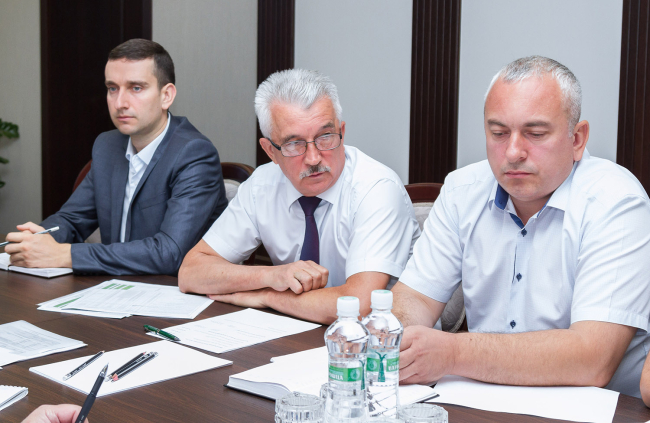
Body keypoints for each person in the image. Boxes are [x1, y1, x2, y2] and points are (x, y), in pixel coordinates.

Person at [392, 56, 650, 397]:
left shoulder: (616, 202)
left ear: (577, 139)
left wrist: (452, 353)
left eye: (535, 134)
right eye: (499, 133)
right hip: (482, 399)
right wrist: (395, 333)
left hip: (594, 409)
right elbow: (414, 298)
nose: (513, 152)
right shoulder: (462, 190)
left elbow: (592, 358)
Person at [179, 69, 420, 324]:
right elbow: (191, 272)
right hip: (296, 332)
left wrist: (268, 296)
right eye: (294, 144)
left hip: (381, 341)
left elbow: (358, 305)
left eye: (325, 137)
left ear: (342, 132)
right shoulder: (263, 185)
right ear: (270, 151)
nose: (314, 158)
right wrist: (272, 276)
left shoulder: (377, 188)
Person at [4, 39, 227, 276]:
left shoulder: (194, 153)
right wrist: (37, 240)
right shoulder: (107, 146)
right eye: (112, 88)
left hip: (171, 290)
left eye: (136, 88)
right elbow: (71, 220)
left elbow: (169, 253)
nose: (120, 103)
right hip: (113, 287)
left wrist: (64, 255)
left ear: (166, 96)